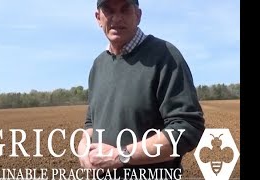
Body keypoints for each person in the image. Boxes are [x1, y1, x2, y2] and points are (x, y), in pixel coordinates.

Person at [77, 0, 205, 179]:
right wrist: (83, 146)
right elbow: (91, 122)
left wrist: (120, 156)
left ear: (138, 15)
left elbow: (187, 128)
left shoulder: (165, 56)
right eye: (109, 11)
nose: (117, 18)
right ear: (98, 18)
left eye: (125, 9)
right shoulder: (98, 65)